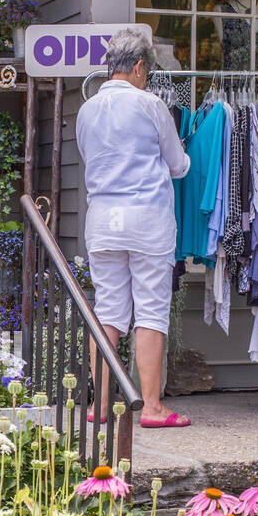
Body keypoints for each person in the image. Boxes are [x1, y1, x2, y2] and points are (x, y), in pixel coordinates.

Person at [76, 28, 192, 428]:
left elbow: (89, 158)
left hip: (103, 221)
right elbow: (177, 165)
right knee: (151, 313)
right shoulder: (150, 105)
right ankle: (153, 409)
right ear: (140, 67)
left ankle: (101, 405)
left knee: (107, 312)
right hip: (147, 221)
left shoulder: (87, 109)